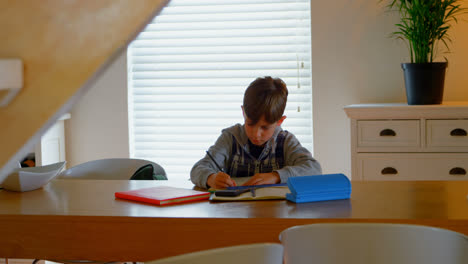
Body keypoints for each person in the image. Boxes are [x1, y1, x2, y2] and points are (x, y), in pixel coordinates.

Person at [190, 76, 322, 189]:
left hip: (277, 214)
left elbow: (314, 169)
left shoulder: (286, 141)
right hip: (234, 213)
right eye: (250, 124)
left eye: (265, 128)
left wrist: (276, 176)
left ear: (279, 121)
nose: (256, 134)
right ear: (243, 112)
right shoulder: (230, 138)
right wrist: (211, 178)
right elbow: (198, 169)